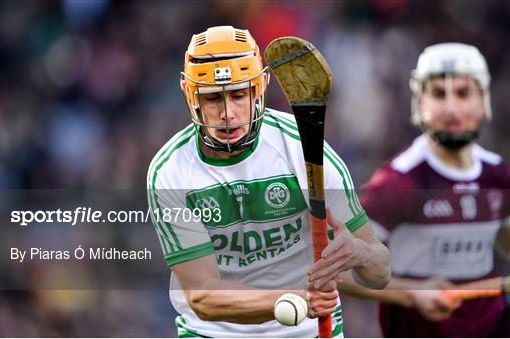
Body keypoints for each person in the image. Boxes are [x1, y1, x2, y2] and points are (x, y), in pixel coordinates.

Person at [147, 25, 390, 338]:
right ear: (188, 94)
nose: (227, 114)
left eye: (238, 94)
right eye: (211, 99)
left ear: (262, 84)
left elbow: (380, 273)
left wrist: (360, 254)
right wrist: (289, 301)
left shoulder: (304, 149)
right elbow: (203, 295)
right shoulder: (170, 173)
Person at [339, 42, 510, 337]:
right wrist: (413, 293)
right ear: (420, 102)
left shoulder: (498, 175)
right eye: (439, 94)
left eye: (463, 92)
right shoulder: (398, 182)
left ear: (483, 100)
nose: (452, 108)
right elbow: (340, 272)